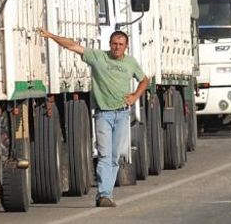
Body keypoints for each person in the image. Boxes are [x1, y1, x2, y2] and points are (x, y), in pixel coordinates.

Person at [38, 28, 149, 208]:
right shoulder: (98, 57)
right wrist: (51, 36)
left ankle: (106, 193)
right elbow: (73, 46)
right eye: (114, 44)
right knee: (105, 154)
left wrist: (135, 96)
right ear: (109, 44)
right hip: (103, 114)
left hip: (122, 114)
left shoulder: (131, 63)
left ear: (126, 46)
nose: (117, 47)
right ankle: (104, 194)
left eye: (121, 45)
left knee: (115, 156)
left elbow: (145, 80)